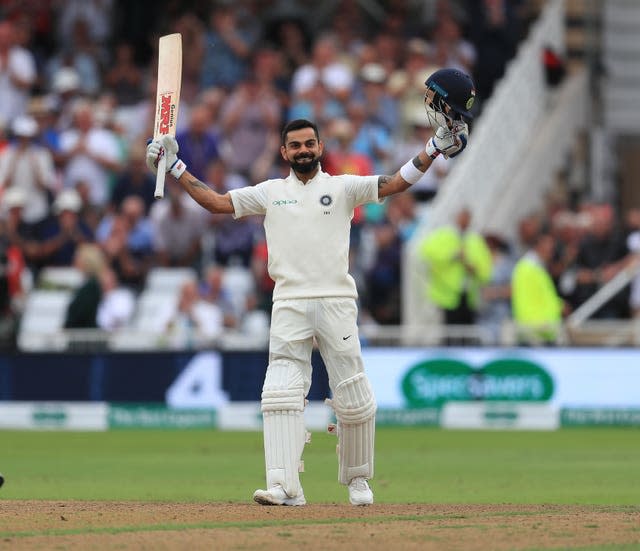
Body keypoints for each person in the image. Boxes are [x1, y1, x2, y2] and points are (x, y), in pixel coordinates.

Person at [145, 69, 472, 507]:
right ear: (284, 151)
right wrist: (176, 165)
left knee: (353, 392)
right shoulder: (269, 192)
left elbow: (396, 182)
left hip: (337, 300)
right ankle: (284, 486)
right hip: (289, 302)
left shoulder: (342, 188)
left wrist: (432, 148)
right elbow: (216, 202)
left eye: (309, 144)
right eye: (295, 145)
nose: (303, 150)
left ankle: (357, 480)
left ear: (320, 148)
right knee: (280, 392)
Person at [419, 207, 493, 344]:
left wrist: (473, 269)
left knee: (467, 334)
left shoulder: (474, 240)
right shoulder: (443, 235)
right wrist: (452, 256)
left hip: (468, 294)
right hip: (447, 295)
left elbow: (485, 268)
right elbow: (427, 253)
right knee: (450, 333)